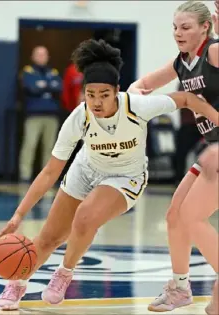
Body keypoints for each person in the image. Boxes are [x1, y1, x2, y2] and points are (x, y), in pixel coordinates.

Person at [0, 39, 218, 311]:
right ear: (83, 94)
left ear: (116, 92)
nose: (97, 102)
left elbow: (186, 98)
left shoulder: (136, 107)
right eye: (90, 95)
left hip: (125, 177)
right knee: (48, 237)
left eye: (104, 94)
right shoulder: (79, 117)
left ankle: (64, 274)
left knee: (85, 216)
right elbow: (50, 171)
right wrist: (18, 215)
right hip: (86, 170)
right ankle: (17, 283)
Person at [128, 1, 219, 313]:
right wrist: (132, 100)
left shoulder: (214, 52)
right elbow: (142, 85)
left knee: (193, 217)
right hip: (212, 147)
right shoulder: (183, 62)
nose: (178, 33)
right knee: (175, 216)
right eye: (175, 27)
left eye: (187, 27)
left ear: (205, 27)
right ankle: (180, 287)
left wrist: (199, 106)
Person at [19, 46, 62, 182]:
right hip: (34, 115)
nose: (41, 57)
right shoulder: (28, 71)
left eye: (44, 55)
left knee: (49, 148)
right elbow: (31, 87)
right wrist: (48, 86)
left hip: (51, 115)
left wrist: (42, 86)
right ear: (33, 56)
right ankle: (24, 176)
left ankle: (47, 177)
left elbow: (59, 87)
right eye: (38, 54)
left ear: (48, 57)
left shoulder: (53, 71)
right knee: (30, 145)